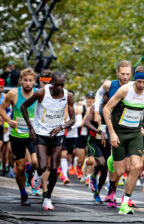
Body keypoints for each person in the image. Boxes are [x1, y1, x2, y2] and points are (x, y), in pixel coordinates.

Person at [103, 66, 144, 215]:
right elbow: (106, 108)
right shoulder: (125, 90)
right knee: (120, 171)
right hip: (119, 133)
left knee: (136, 166)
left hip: (135, 133)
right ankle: (112, 160)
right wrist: (111, 133)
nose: (142, 85)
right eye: (139, 81)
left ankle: (125, 201)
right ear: (135, 79)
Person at [21, 71, 75, 210]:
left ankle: (47, 198)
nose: (59, 88)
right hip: (41, 134)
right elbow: (24, 107)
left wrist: (61, 126)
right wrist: (31, 128)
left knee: (54, 169)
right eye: (57, 85)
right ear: (51, 83)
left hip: (57, 136)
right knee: (42, 166)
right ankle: (37, 175)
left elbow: (73, 120)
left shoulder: (68, 96)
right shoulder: (41, 93)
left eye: (62, 85)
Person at [0, 68, 39, 206]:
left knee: (35, 162)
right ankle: (23, 193)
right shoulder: (13, 93)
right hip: (17, 135)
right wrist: (8, 120)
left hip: (33, 134)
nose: (28, 83)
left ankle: (31, 171)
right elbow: (2, 109)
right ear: (21, 81)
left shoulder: (39, 93)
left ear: (35, 81)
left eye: (30, 81)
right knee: (20, 167)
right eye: (25, 80)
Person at [84, 92, 111, 204]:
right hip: (94, 140)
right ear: (103, 97)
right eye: (106, 97)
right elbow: (86, 122)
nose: (108, 99)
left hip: (108, 143)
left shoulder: (114, 108)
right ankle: (93, 176)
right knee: (101, 162)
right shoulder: (96, 108)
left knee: (105, 170)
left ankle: (97, 193)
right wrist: (99, 131)